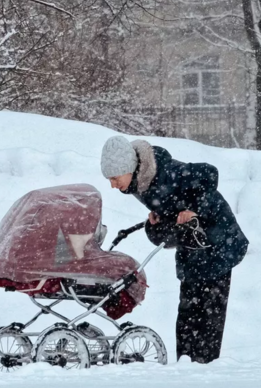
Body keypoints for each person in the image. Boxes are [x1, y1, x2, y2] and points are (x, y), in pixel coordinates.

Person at [100, 135, 248, 364]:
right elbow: (171, 211)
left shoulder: (165, 172)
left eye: (114, 177)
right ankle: (186, 364)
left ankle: (205, 367)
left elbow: (209, 173)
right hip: (193, 245)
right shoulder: (141, 183)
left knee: (208, 313)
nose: (112, 184)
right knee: (188, 310)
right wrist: (158, 221)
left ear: (127, 168)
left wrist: (194, 209)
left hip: (219, 242)